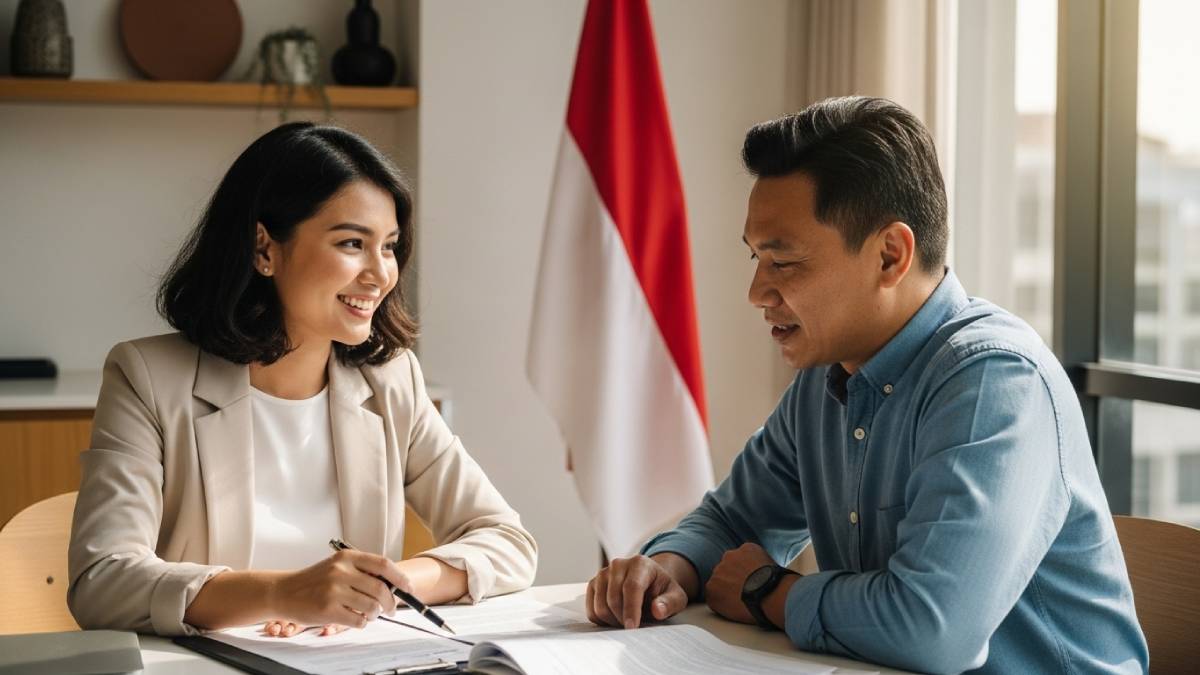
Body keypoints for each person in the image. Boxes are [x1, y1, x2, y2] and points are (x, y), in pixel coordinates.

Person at [585, 97, 1147, 673]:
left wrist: (766, 591)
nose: (757, 291)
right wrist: (670, 568)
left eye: (784, 262)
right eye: (755, 258)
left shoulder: (994, 383)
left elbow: (932, 629)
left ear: (889, 255)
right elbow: (732, 522)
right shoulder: (827, 376)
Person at [68, 122, 537, 637]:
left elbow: (506, 541)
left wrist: (387, 586)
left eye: (389, 246)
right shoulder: (148, 379)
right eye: (353, 243)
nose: (381, 274)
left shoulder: (391, 380)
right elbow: (101, 580)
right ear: (264, 249)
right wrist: (283, 593)